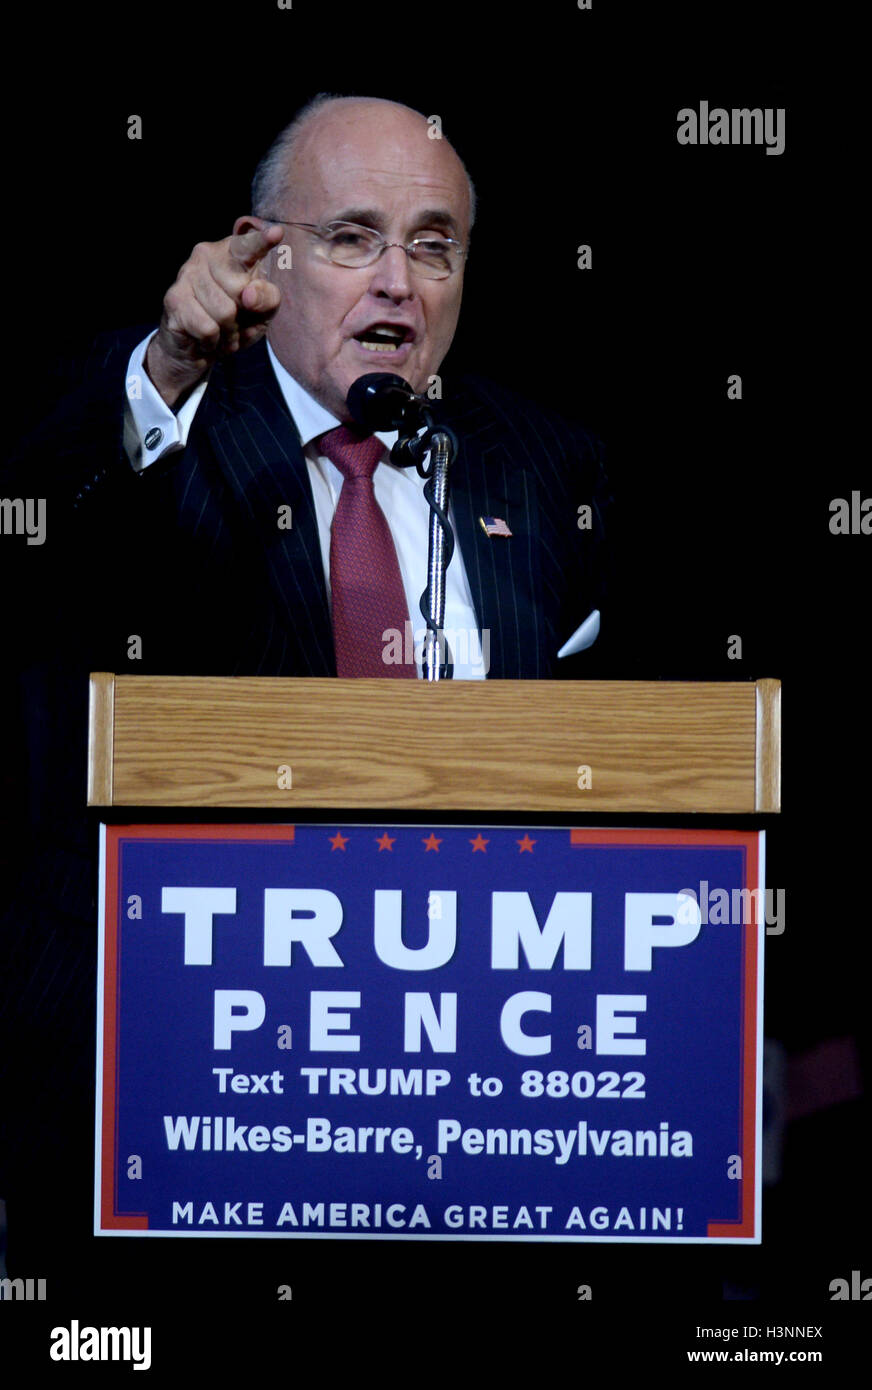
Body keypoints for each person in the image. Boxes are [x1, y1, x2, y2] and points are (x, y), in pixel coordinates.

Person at [0, 93, 611, 1282]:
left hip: (454, 1100)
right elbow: (40, 539)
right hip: (163, 1089)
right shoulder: (157, 428)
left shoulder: (546, 468)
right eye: (353, 237)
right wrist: (169, 361)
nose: (398, 281)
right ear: (258, 258)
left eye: (431, 245)